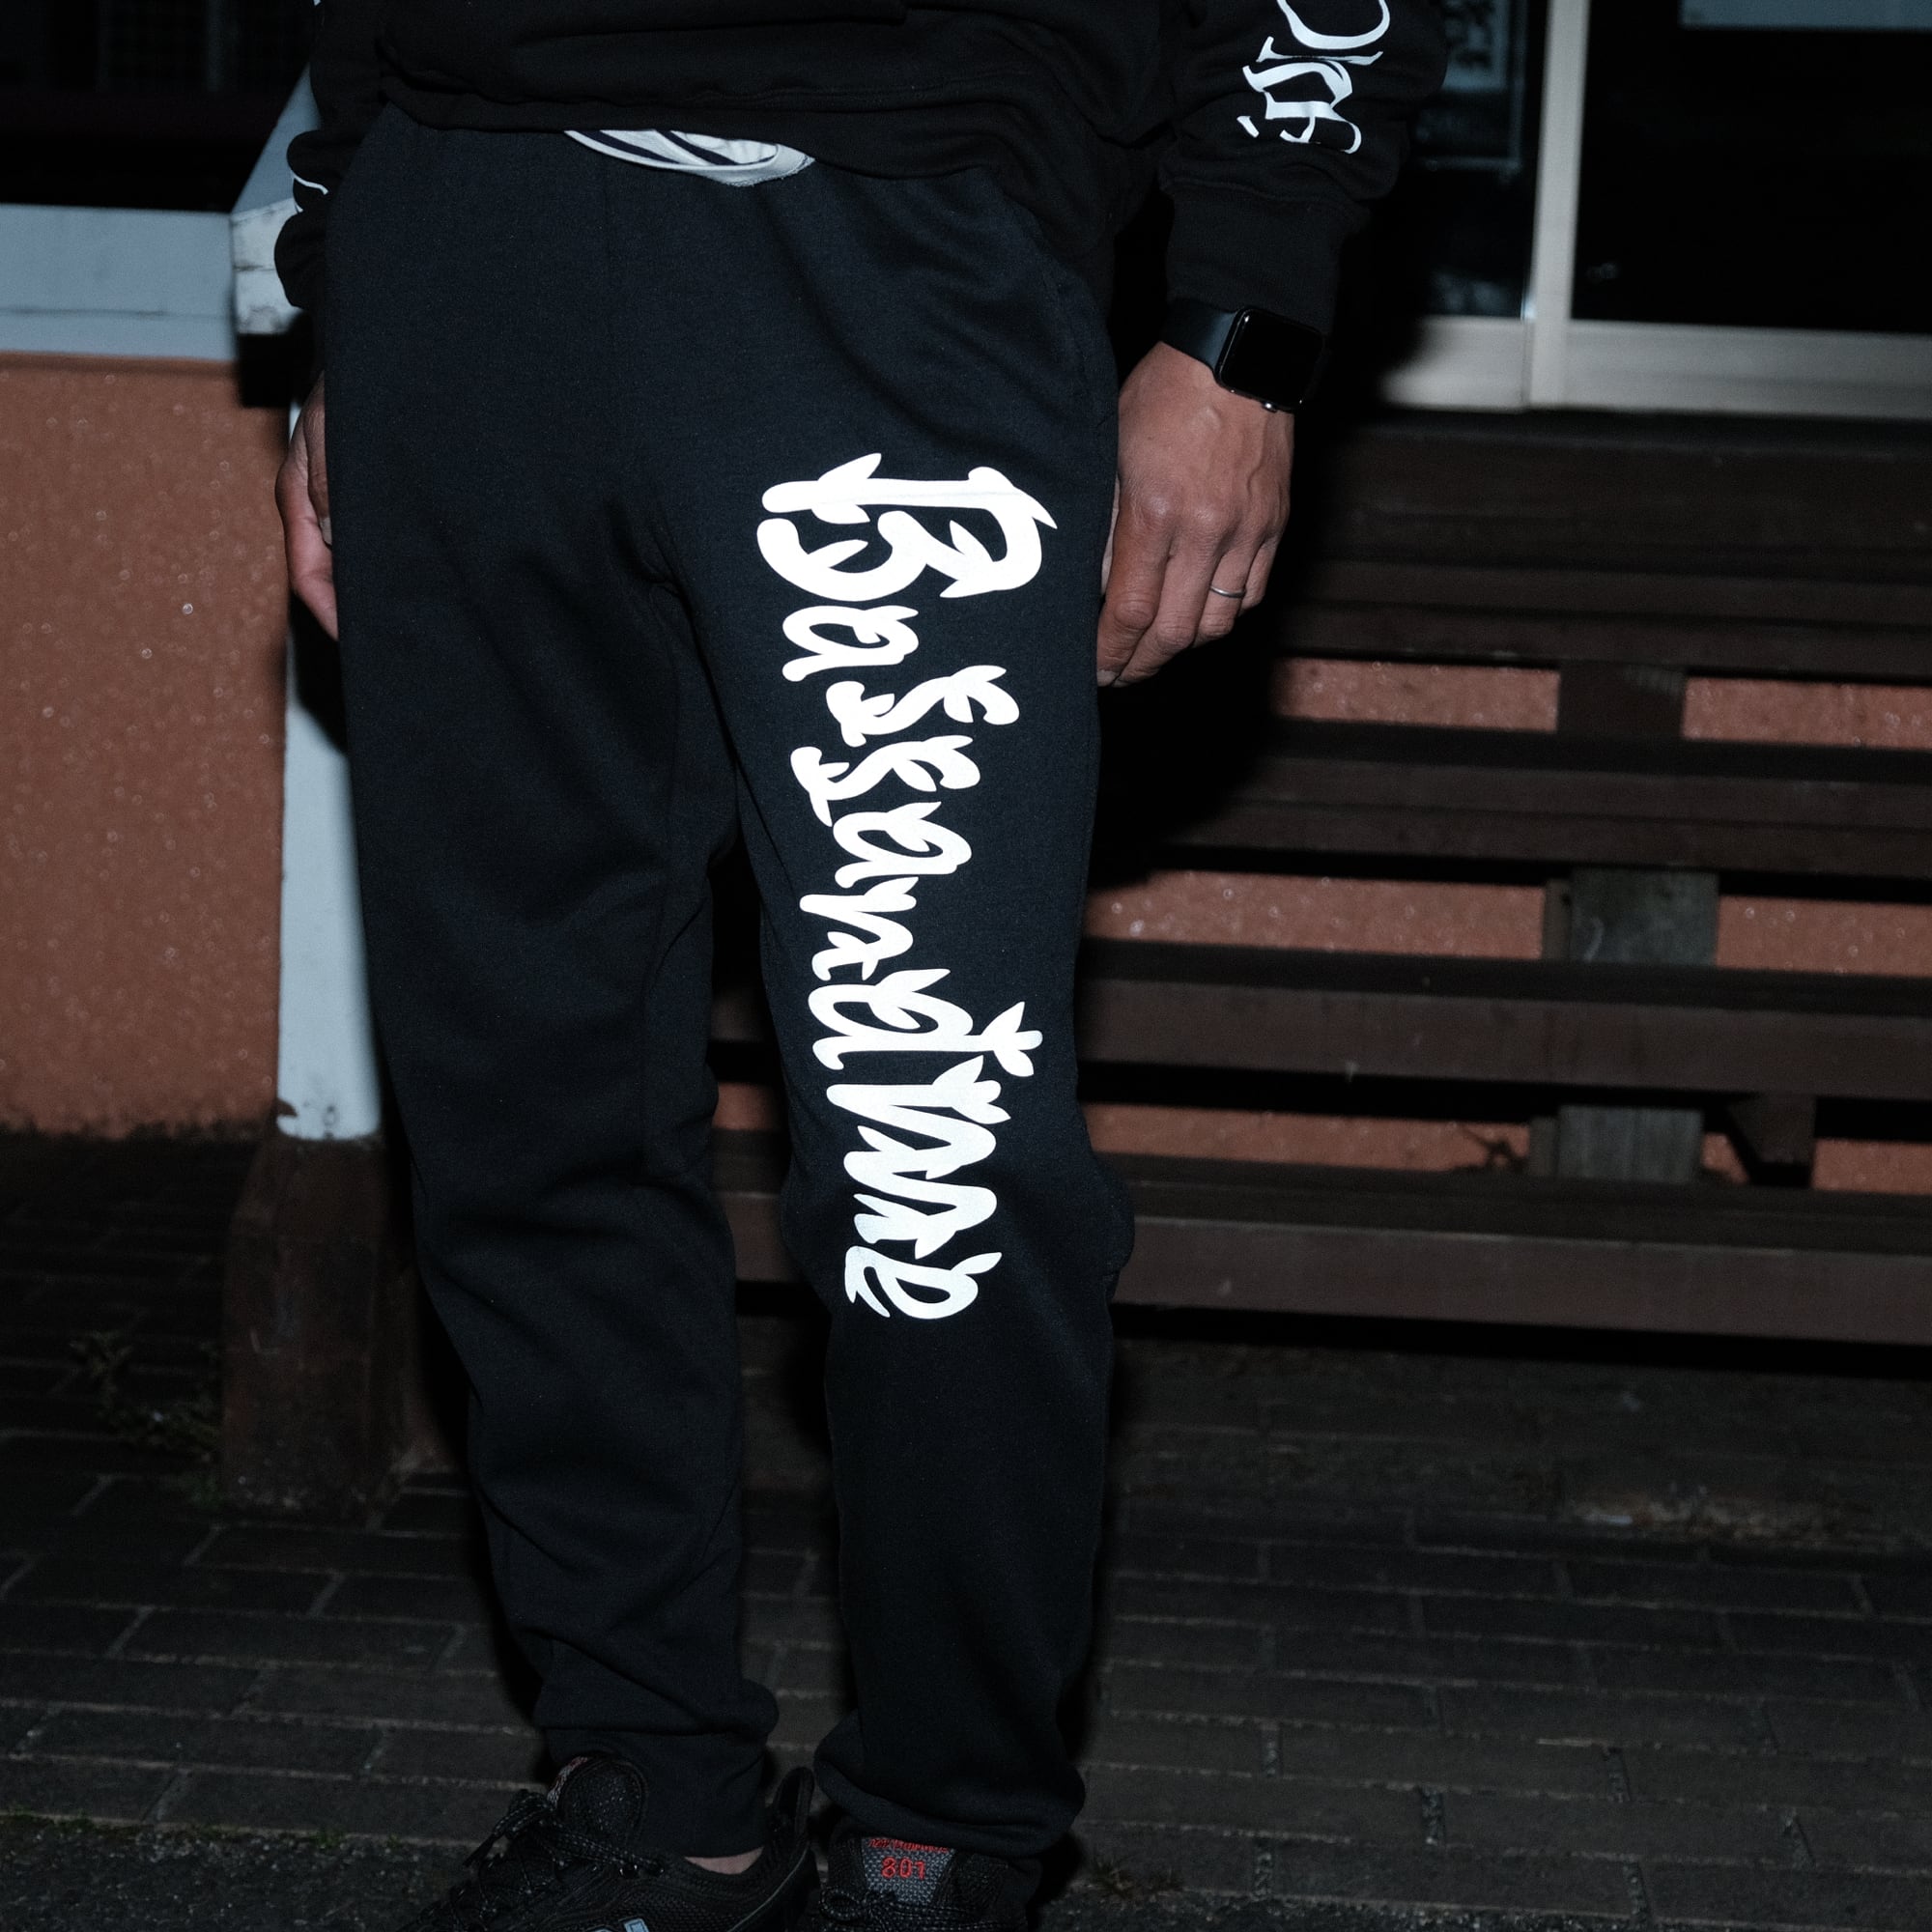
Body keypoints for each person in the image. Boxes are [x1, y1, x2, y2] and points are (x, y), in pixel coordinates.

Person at [272, 4, 1445, 1927]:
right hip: (459, 244)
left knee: (933, 1136)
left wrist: (1240, 324)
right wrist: (354, 272)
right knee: (520, 1101)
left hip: (897, 246)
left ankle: (943, 1819)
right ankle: (651, 1785)